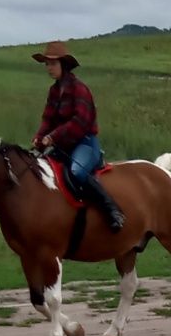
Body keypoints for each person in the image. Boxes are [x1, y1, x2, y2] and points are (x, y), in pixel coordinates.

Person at [32, 41, 125, 232]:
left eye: (52, 64)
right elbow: (47, 119)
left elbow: (80, 123)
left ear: (63, 65)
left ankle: (113, 210)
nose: (49, 68)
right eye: (47, 64)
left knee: (77, 172)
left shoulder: (79, 89)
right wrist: (39, 138)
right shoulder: (54, 91)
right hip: (63, 147)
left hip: (86, 143)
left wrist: (53, 137)